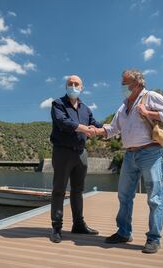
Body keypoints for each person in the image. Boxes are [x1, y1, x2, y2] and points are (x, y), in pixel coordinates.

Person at [93, 69, 163, 253]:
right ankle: (124, 233)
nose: (122, 86)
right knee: (124, 196)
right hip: (129, 155)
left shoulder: (151, 96)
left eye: (126, 83)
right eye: (122, 83)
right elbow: (113, 129)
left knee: (155, 198)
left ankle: (154, 239)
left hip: (151, 152)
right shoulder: (123, 107)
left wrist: (148, 112)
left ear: (138, 84)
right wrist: (96, 130)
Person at [49, 74, 102, 243]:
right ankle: (57, 228)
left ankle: (78, 224)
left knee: (78, 190)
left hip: (81, 153)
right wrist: (84, 129)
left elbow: (96, 125)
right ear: (66, 86)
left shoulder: (86, 109)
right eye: (70, 83)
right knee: (59, 190)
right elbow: (62, 122)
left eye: (76, 84)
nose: (73, 86)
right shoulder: (58, 104)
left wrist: (111, 128)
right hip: (62, 152)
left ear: (82, 87)